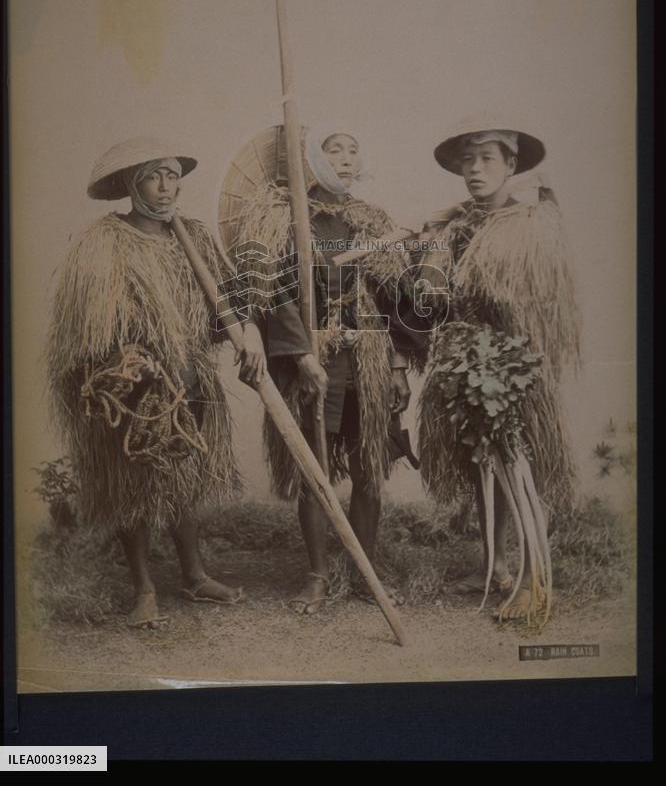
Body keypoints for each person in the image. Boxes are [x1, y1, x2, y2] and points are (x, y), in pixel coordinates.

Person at [47, 137, 262, 629]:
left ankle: (194, 575)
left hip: (191, 379)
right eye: (153, 175)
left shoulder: (196, 236)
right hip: (133, 389)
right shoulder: (104, 241)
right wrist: (135, 367)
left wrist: (248, 332)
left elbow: (228, 303)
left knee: (182, 477)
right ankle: (143, 586)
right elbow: (93, 328)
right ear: (130, 183)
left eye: (172, 174)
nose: (166, 186)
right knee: (134, 482)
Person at [236, 131, 426, 614]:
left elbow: (393, 301)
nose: (345, 159)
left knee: (368, 470)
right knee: (313, 472)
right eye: (333, 150)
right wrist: (302, 357)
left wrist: (399, 367)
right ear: (312, 161)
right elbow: (271, 293)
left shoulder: (371, 221)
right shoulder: (283, 219)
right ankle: (318, 575)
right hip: (312, 359)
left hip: (368, 362)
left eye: (353, 149)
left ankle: (365, 572)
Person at [416, 115, 581, 623]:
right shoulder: (453, 224)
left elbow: (531, 302)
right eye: (468, 159)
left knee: (520, 466)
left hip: (516, 366)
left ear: (511, 164)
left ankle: (536, 582)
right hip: (464, 363)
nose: (474, 169)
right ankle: (495, 562)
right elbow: (431, 294)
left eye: (486, 158)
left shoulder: (529, 223)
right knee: (481, 468)